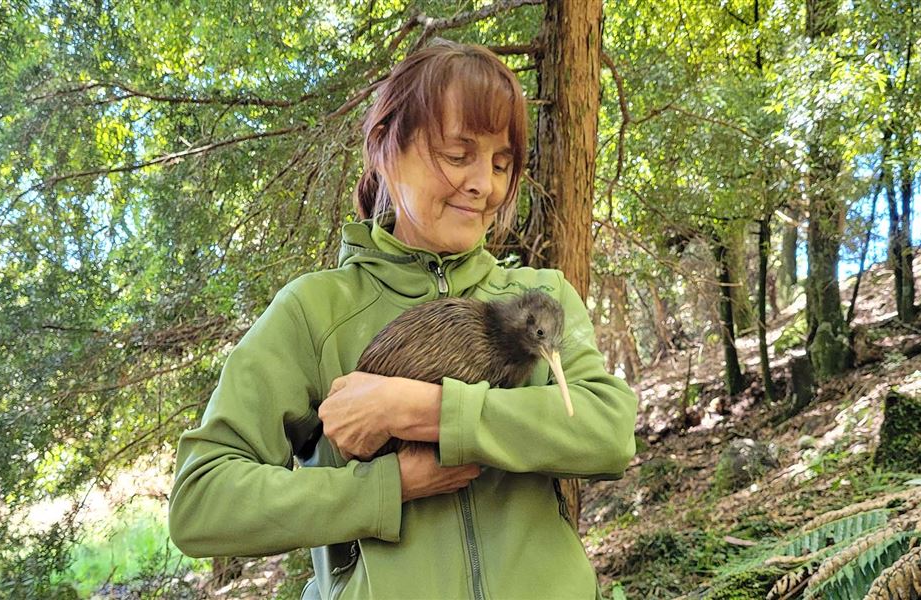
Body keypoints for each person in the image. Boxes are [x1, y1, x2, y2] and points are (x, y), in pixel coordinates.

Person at [169, 40, 638, 600]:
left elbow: (608, 433)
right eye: (458, 155)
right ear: (387, 151)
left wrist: (424, 410)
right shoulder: (315, 312)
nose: (485, 185)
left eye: (501, 163)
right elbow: (201, 503)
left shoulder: (539, 297)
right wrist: (384, 488)